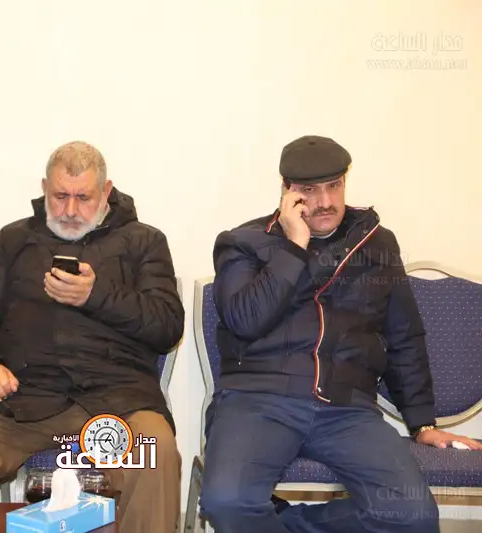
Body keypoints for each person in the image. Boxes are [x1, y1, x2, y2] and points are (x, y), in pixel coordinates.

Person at [199, 134, 482, 533]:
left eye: (334, 185)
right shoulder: (244, 242)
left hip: (346, 409)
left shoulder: (376, 244)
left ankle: (283, 524)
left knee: (412, 516)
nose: (325, 201)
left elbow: (404, 336)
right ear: (287, 192)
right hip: (258, 400)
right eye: (310, 190)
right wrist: (294, 248)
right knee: (227, 502)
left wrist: (422, 424)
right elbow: (245, 319)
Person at [0, 141, 184, 533]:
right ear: (45, 188)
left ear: (106, 192)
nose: (70, 210)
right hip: (22, 400)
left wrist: (97, 295)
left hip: (117, 404)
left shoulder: (144, 241)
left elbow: (167, 326)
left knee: (154, 450)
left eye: (83, 197)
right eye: (60, 196)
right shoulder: (15, 239)